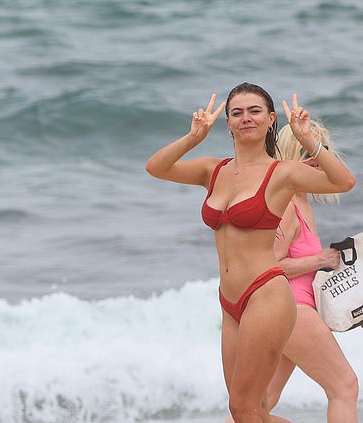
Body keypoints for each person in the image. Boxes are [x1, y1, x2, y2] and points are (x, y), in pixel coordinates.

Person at [146, 82, 355, 423]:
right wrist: (192, 138)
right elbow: (156, 167)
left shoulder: (282, 174)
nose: (246, 118)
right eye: (237, 112)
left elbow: (343, 182)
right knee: (248, 411)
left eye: (255, 111)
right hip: (230, 301)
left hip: (266, 295)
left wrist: (307, 141)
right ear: (227, 122)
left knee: (245, 409)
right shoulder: (213, 171)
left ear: (271, 119)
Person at [265, 121, 359, 422]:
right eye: (309, 152)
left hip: (291, 312)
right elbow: (270, 268)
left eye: (323, 151)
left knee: (260, 403)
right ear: (294, 155)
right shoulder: (288, 205)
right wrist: (320, 260)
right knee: (344, 388)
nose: (319, 160)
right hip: (292, 311)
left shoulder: (301, 200)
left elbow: (344, 179)